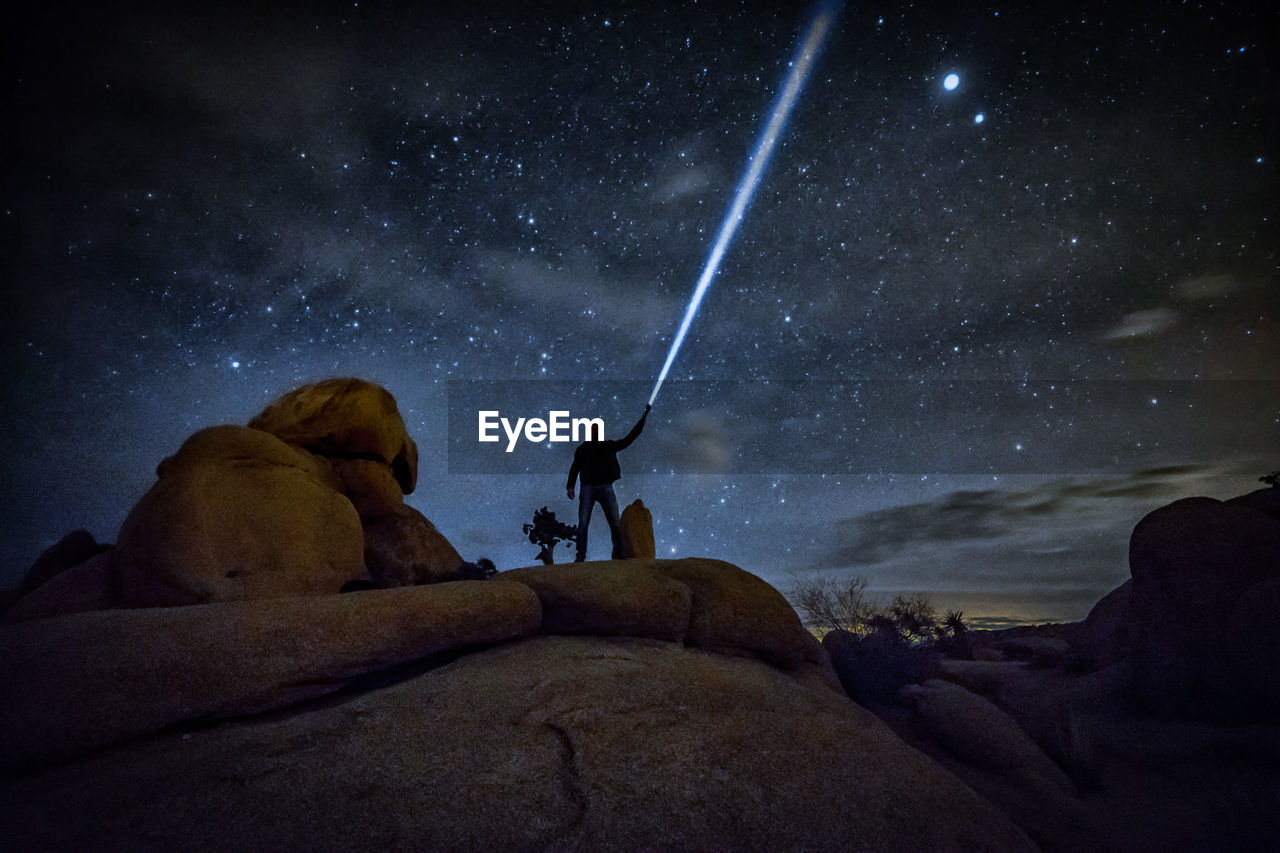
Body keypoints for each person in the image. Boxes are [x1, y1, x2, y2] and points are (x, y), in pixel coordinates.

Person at [566, 404, 650, 562]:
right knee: (583, 523)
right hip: (588, 488)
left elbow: (628, 439)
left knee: (614, 522)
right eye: (593, 429)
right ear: (590, 431)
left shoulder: (608, 445)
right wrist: (570, 486)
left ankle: (619, 555)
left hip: (605, 487)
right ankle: (580, 556)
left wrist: (642, 420)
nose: (595, 431)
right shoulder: (583, 449)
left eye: (597, 429)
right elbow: (574, 467)